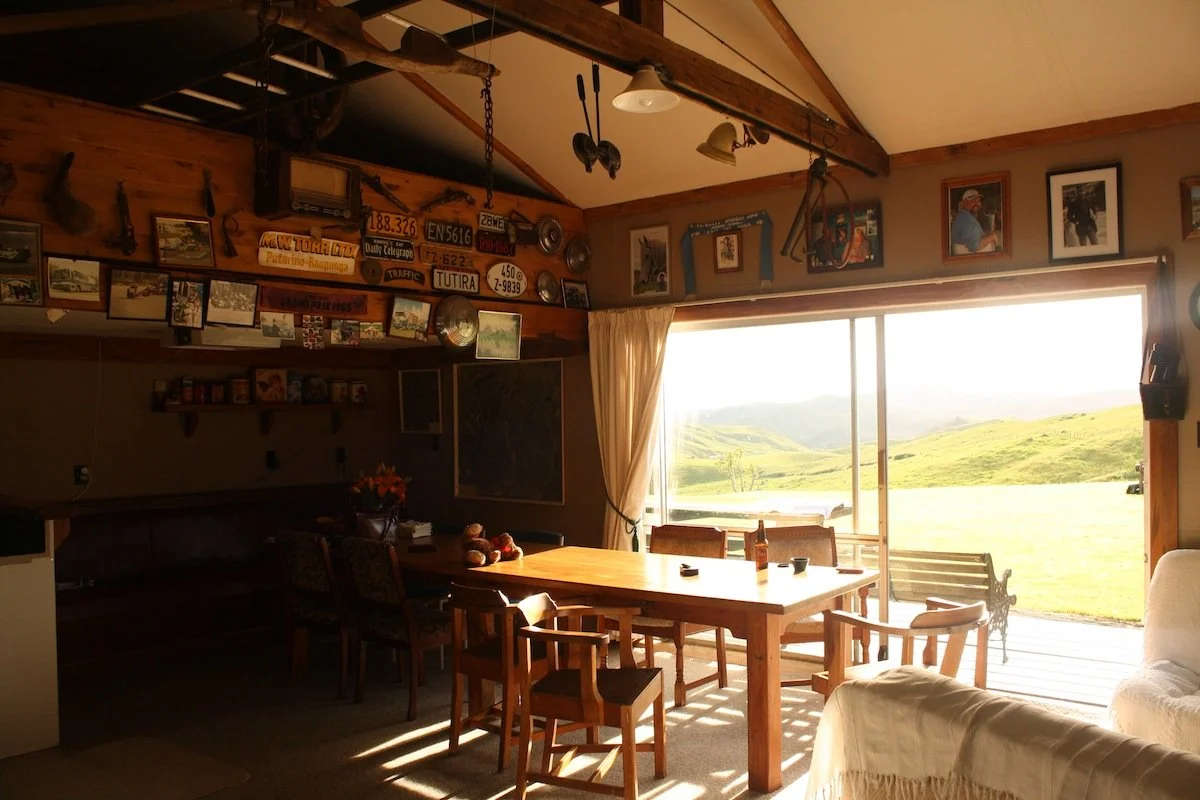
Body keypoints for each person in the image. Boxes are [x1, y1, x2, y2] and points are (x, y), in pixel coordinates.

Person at [950, 188, 1000, 255]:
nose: (977, 204)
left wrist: (988, 234)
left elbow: (974, 236)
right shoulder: (965, 220)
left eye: (978, 201)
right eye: (973, 201)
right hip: (974, 260)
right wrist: (992, 236)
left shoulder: (966, 216)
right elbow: (975, 246)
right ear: (964, 202)